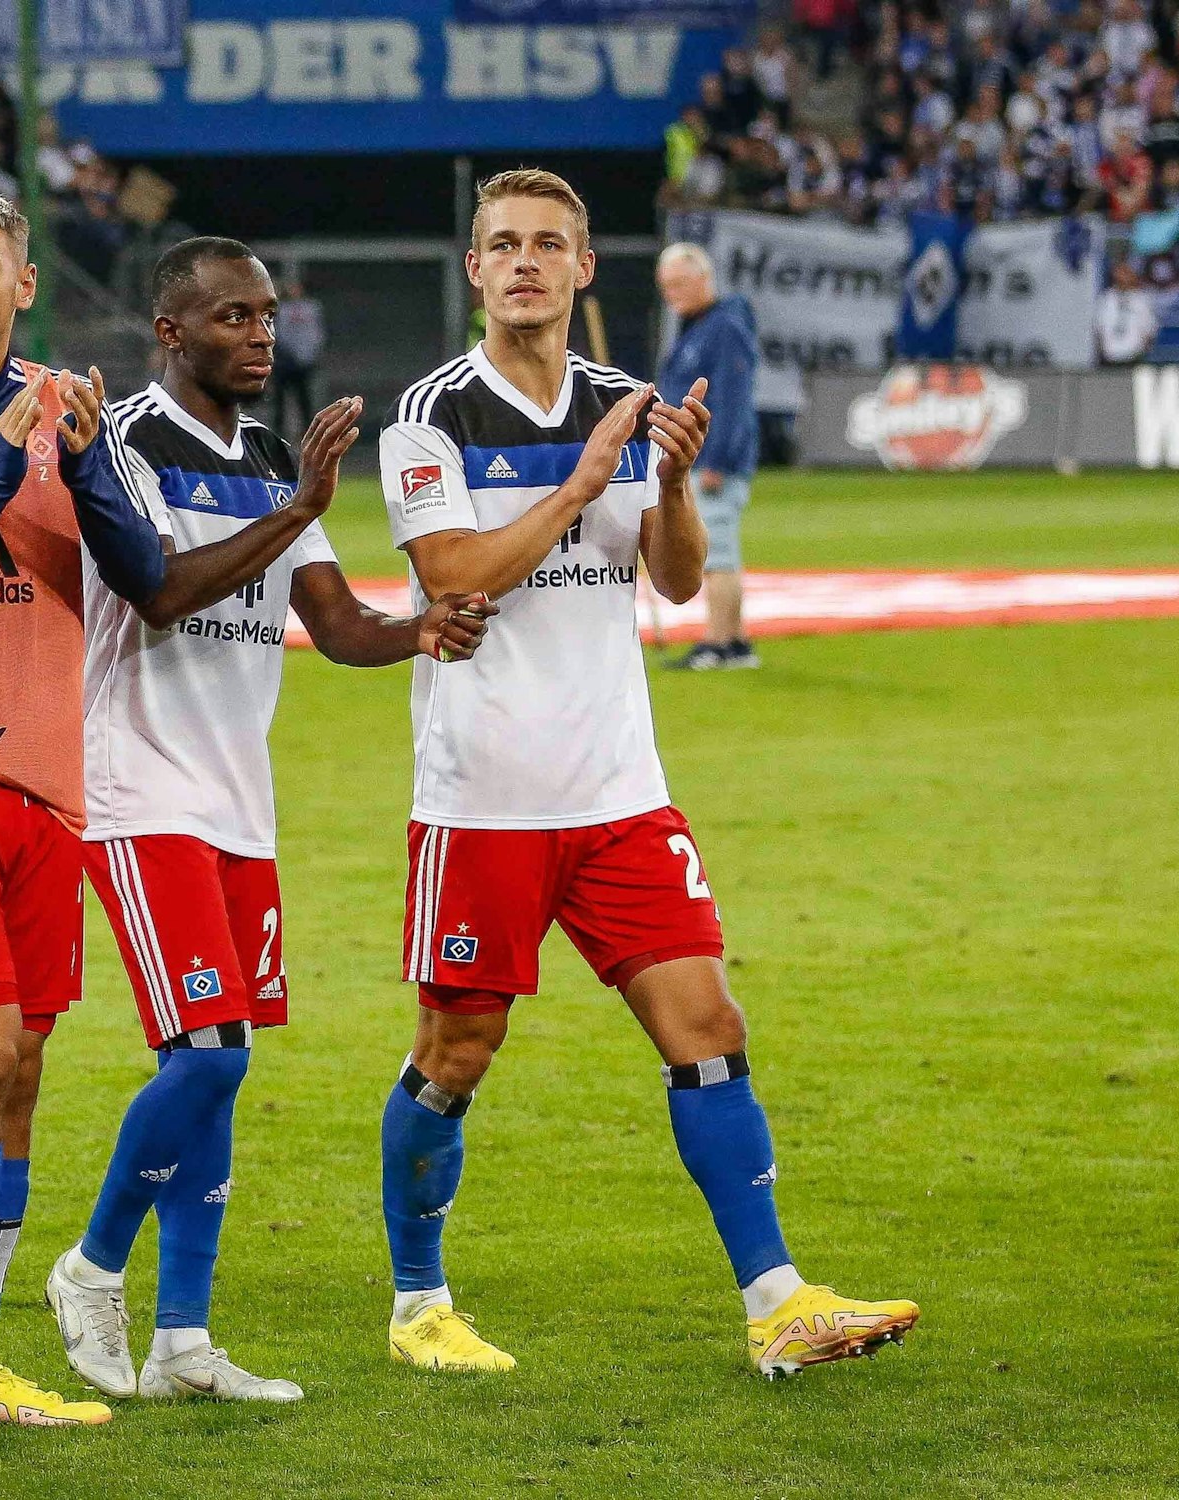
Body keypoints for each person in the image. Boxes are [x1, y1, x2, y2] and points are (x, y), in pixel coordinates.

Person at [0, 186, 375, 1449]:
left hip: (50, 792)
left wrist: (85, 458)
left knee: (25, 1079)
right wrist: (4, 474)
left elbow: (150, 581)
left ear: (24, 287)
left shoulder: (81, 423)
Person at [374, 168, 916, 1380]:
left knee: (708, 1027)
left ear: (582, 269)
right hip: (483, 800)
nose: (522, 262)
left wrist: (666, 482)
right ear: (473, 270)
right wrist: (581, 483)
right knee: (455, 1051)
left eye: (546, 245)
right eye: (500, 244)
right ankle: (418, 1302)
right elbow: (458, 576)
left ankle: (775, 1302)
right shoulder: (429, 416)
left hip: (618, 791)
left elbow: (670, 581)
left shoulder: (629, 400)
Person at [43, 239, 493, 1407]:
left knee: (216, 1070)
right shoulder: (124, 438)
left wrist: (424, 628)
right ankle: (90, 1270)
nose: (260, 333)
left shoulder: (268, 455)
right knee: (208, 1052)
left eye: (267, 315)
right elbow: (156, 589)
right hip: (136, 789)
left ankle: (183, 1346)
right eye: (233, 316)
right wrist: (297, 506)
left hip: (238, 802)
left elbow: (337, 626)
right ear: (171, 331)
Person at [654, 243, 761, 669]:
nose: (672, 295)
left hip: (713, 459)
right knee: (722, 550)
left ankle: (718, 645)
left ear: (704, 279)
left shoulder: (724, 327)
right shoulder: (700, 326)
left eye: (680, 284)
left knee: (716, 554)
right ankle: (734, 641)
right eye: (666, 287)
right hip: (702, 455)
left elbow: (733, 398)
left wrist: (716, 458)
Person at [269, 275, 324, 438]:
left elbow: (317, 333)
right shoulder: (281, 309)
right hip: (284, 361)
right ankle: (277, 434)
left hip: (303, 362)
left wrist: (310, 353)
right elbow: (277, 333)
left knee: (304, 399)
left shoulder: (312, 308)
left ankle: (309, 433)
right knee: (279, 400)